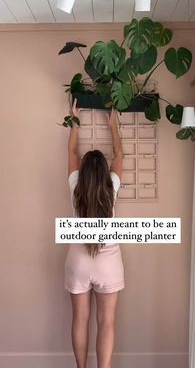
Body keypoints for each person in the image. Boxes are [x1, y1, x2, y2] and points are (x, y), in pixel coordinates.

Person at [64, 99, 125, 368]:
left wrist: (73, 120)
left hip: (77, 260)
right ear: (104, 174)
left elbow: (72, 154)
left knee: (80, 319)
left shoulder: (75, 185)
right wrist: (113, 125)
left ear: (84, 173)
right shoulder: (111, 186)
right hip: (108, 262)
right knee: (106, 322)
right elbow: (119, 155)